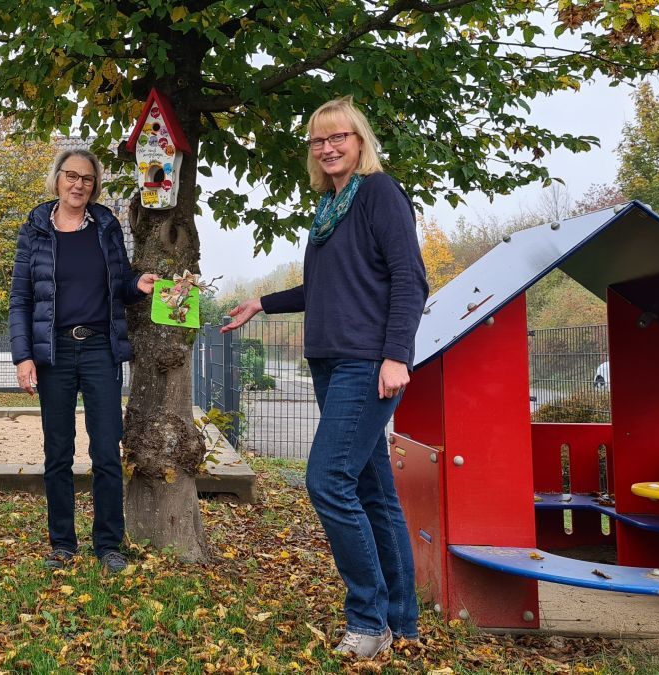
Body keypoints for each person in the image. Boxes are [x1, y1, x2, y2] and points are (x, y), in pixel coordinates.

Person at [222, 96, 428, 658]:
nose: (328, 147)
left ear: (360, 141)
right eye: (318, 140)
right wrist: (262, 302)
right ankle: (402, 620)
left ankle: (368, 619)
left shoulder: (379, 193)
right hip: (332, 359)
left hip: (367, 362)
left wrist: (396, 355)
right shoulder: (331, 206)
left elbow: (410, 278)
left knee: (327, 480)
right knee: (372, 492)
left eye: (338, 137)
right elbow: (326, 289)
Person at [9, 148, 159, 574]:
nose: (79, 185)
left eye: (88, 179)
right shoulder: (35, 229)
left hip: (98, 349)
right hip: (52, 352)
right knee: (58, 452)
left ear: (95, 186)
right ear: (57, 179)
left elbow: (120, 284)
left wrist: (138, 284)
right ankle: (62, 544)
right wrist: (23, 356)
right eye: (71, 176)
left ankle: (108, 545)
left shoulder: (106, 227)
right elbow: (20, 298)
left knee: (106, 452)